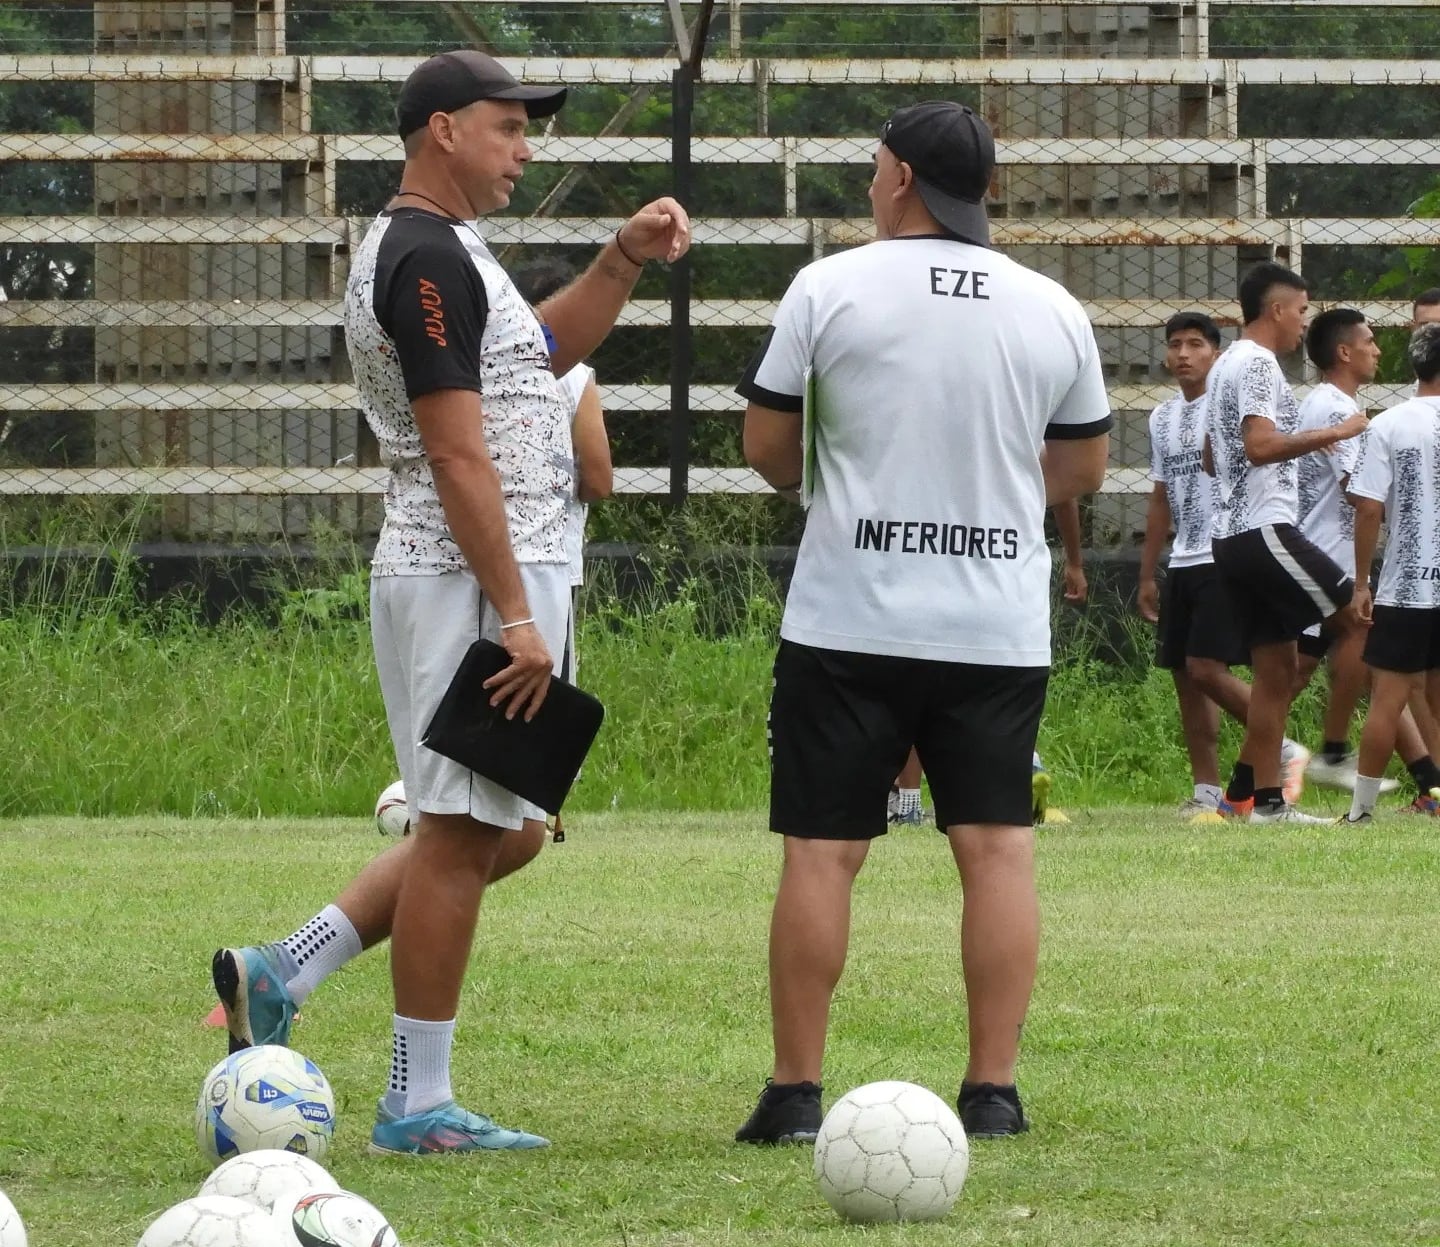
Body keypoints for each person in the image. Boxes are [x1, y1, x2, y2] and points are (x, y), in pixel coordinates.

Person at [209, 49, 689, 1156]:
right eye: (509, 127)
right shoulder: (422, 253)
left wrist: (619, 259)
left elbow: (543, 357)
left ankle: (286, 965)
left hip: (493, 576)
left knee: (502, 831)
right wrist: (516, 613)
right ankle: (416, 1102)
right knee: (467, 828)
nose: (526, 148)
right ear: (442, 131)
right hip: (471, 578)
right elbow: (457, 452)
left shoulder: (456, 251)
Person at [734, 100, 1110, 1143]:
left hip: (849, 610)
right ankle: (992, 1090)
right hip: (993, 622)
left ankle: (794, 1092)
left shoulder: (830, 285)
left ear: (898, 176)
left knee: (822, 851)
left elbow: (767, 447)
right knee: (997, 849)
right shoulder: (1052, 306)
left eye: (872, 169)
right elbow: (1080, 466)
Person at [1205, 262, 1368, 823]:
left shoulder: (1226, 364)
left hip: (1230, 535)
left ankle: (1260, 801)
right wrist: (1336, 433)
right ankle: (1336, 751)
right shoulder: (1255, 364)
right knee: (1356, 615)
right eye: (1300, 311)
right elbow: (1258, 446)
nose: (1304, 323)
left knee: (1275, 672)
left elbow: (1213, 453)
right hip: (1263, 529)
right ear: (1276, 310)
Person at [1138, 312, 1310, 814]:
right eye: (1175, 344)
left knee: (1208, 669)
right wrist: (1149, 572)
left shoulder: (1228, 401)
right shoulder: (1161, 416)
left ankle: (1278, 748)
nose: (1184, 354)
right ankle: (1206, 789)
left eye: (1196, 344)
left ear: (1216, 353)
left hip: (1224, 547)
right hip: (1184, 557)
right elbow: (1160, 496)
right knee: (1186, 678)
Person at [1292, 310, 1440, 804]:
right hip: (1327, 553)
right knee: (1360, 643)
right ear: (1344, 352)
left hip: (1340, 554)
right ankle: (1332, 752)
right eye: (1370, 341)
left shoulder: (1360, 413)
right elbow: (1361, 494)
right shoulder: (1338, 409)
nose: (1377, 349)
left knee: (1370, 674)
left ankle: (1422, 782)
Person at [888, 499, 1085, 827]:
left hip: (932, 557)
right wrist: (1075, 560)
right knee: (1004, 694)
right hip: (1006, 570)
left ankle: (908, 801)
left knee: (914, 680)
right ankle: (1025, 764)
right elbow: (1072, 480)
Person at [514, 258, 614, 841]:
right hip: (546, 553)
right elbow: (598, 479)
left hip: (466, 549)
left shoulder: (475, 366)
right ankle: (539, 812)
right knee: (550, 684)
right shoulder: (575, 378)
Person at [1342, 323, 1440, 822]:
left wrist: (1361, 583)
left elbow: (1367, 508)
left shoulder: (1391, 424)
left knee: (1389, 697)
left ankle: (1361, 811)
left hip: (1407, 585)